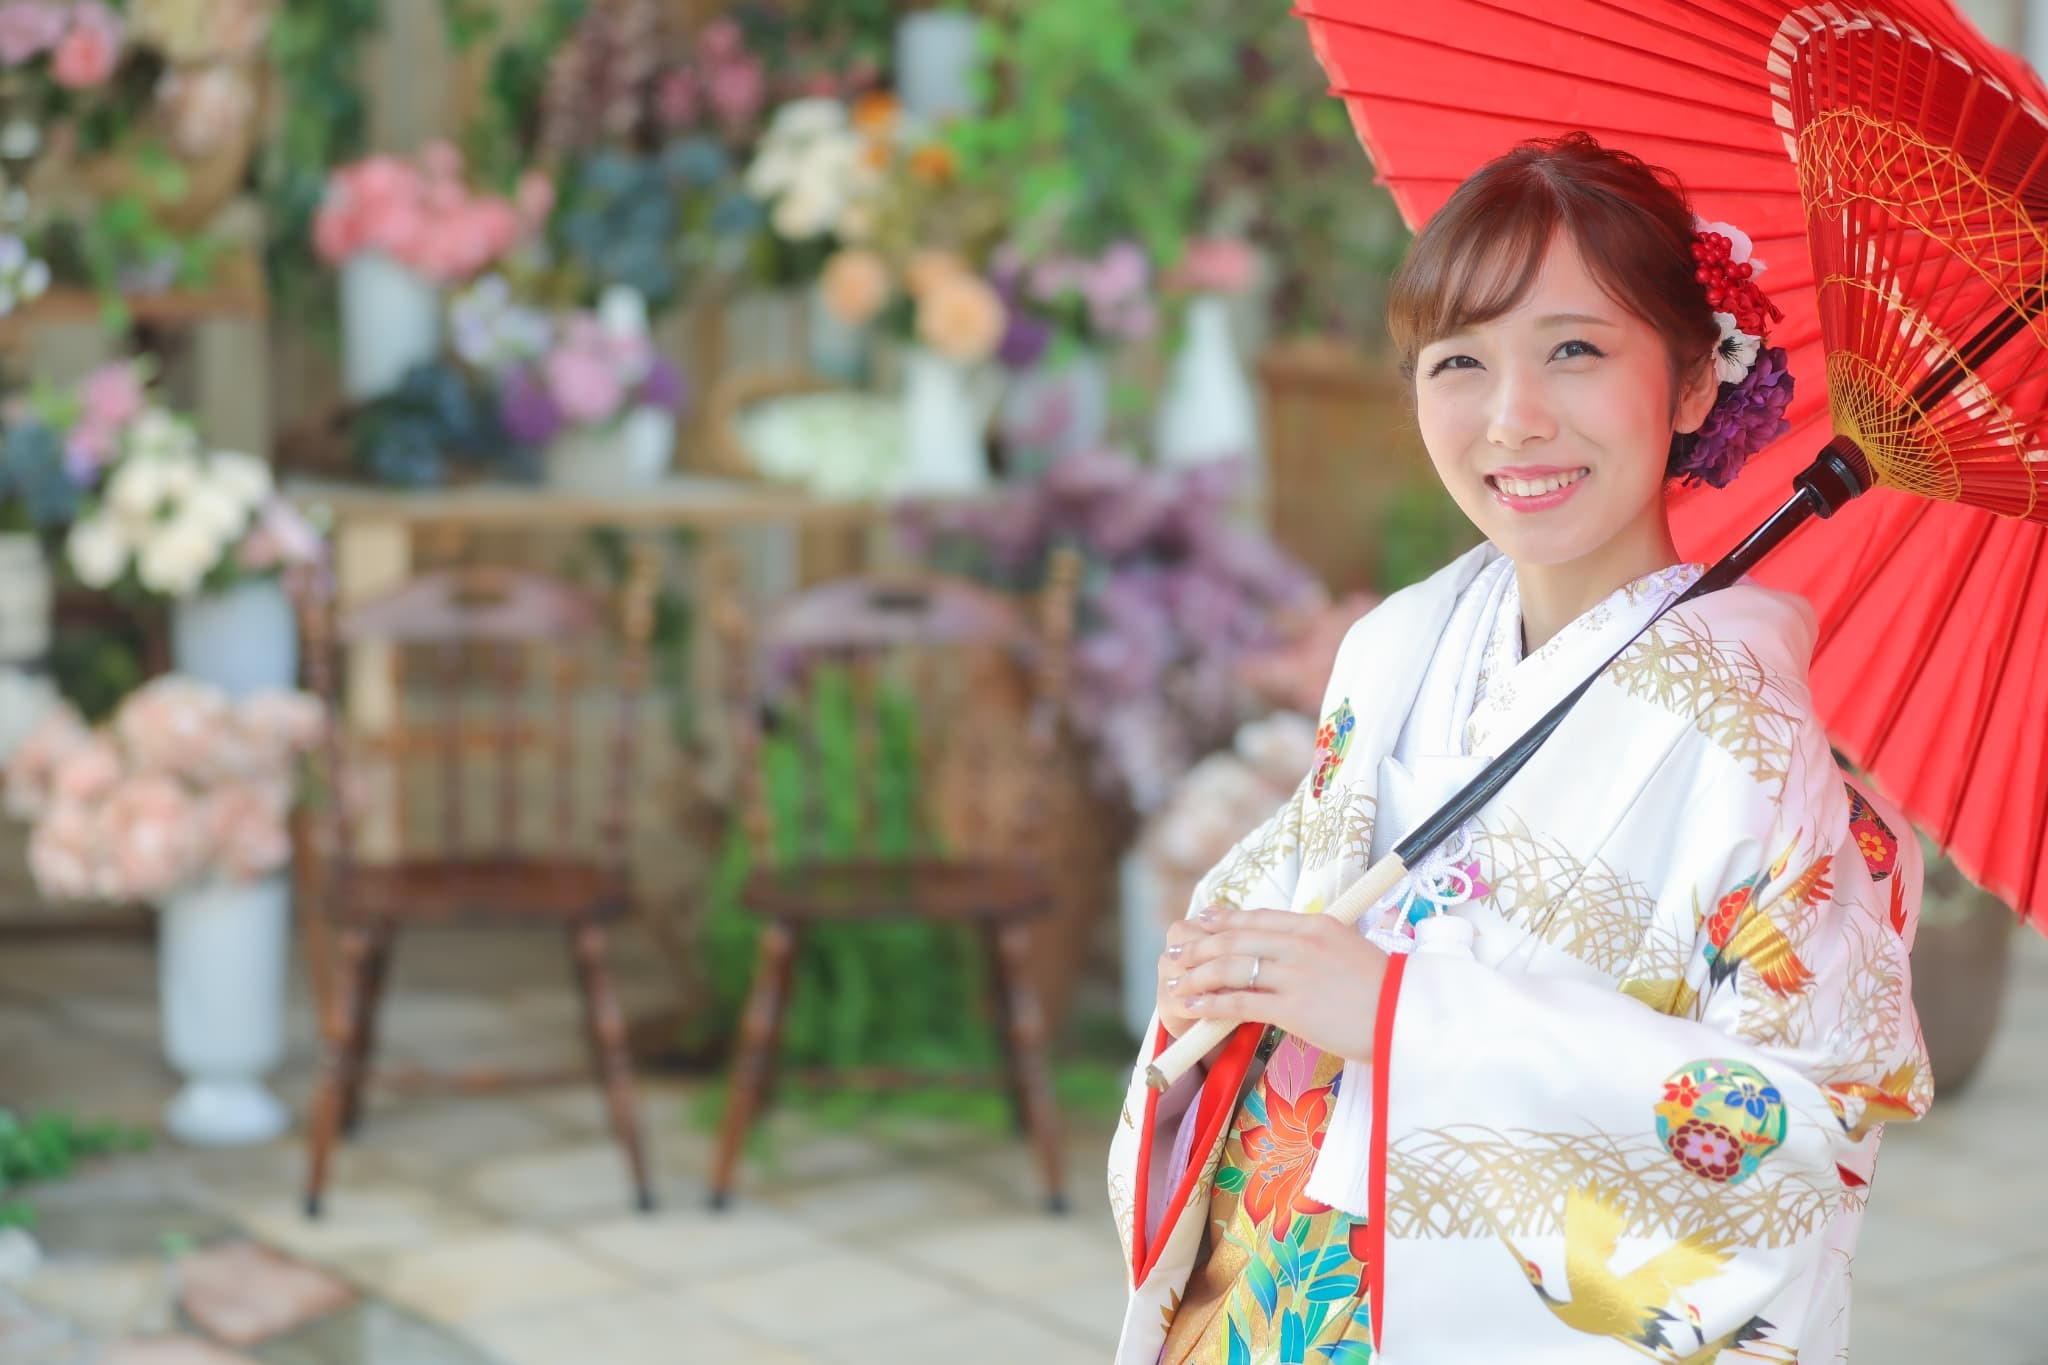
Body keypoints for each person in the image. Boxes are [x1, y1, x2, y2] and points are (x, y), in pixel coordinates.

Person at [1106, 133, 1930, 1364]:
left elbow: (1798, 1133)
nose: (1512, 419)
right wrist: (1225, 980)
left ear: (1691, 382)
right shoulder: (1395, 647)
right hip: (1276, 1284)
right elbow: (1291, 906)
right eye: (1458, 362)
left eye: (1573, 350)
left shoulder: (1754, 749)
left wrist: (1404, 1016)